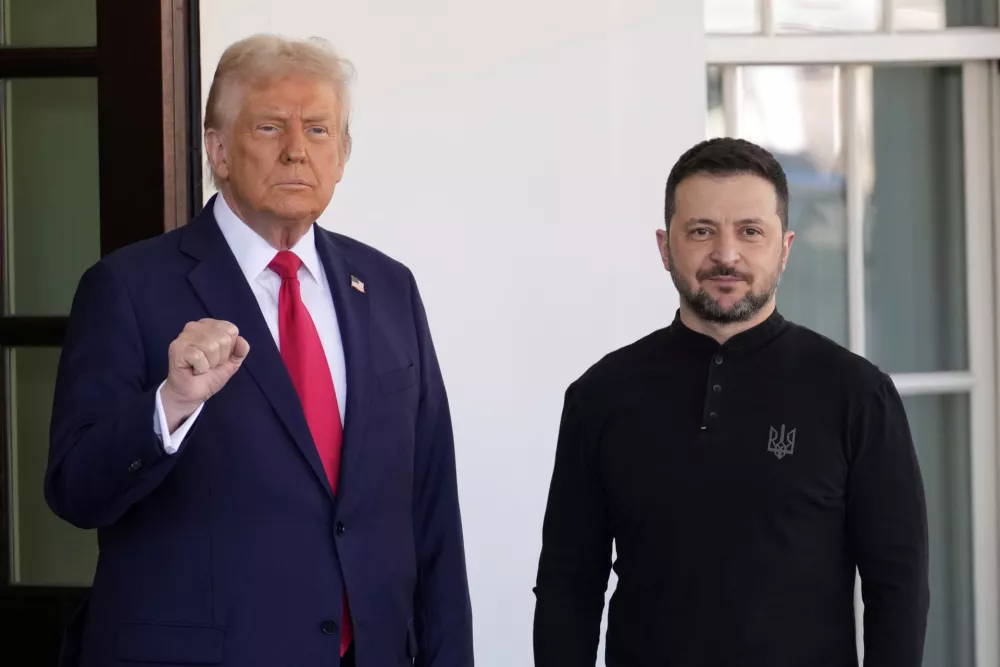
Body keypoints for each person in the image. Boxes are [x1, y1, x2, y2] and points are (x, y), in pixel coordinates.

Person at [45, 34, 473, 667]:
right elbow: (74, 490)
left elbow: (432, 505)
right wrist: (169, 406)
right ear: (217, 150)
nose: (297, 150)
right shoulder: (129, 288)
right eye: (271, 127)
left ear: (344, 154)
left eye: (320, 130)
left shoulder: (388, 287)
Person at [532, 137, 929, 667]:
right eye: (701, 231)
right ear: (665, 246)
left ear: (784, 248)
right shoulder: (600, 396)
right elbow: (567, 585)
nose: (726, 254)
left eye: (750, 232)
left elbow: (898, 588)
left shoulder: (856, 394)